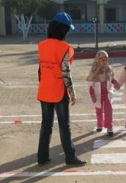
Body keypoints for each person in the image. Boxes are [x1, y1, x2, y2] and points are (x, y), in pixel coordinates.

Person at [37, 12, 86, 166]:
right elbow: (66, 72)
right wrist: (72, 93)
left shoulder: (42, 45)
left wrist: (44, 84)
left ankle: (42, 157)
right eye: (67, 29)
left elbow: (40, 71)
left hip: (44, 91)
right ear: (62, 29)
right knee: (64, 125)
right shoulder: (64, 47)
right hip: (59, 91)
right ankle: (70, 158)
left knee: (46, 124)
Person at [86, 50, 119, 137]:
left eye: (106, 60)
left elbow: (112, 78)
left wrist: (116, 83)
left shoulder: (109, 69)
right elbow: (90, 85)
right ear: (98, 60)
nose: (105, 62)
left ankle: (109, 127)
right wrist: (92, 95)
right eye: (102, 60)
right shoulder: (94, 71)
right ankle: (100, 124)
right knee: (99, 111)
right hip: (98, 95)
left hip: (107, 94)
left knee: (109, 109)